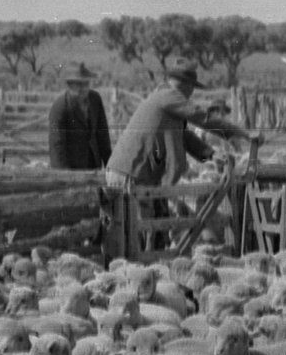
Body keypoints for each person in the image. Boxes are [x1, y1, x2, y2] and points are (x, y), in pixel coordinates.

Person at [101, 64, 254, 259]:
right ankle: (134, 275)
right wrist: (241, 133)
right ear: (185, 85)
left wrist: (209, 154)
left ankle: (143, 268)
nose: (191, 93)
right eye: (192, 88)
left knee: (144, 230)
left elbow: (183, 135)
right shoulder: (169, 96)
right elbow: (203, 118)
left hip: (131, 171)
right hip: (131, 173)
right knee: (135, 234)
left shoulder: (163, 99)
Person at [46, 62, 111, 170]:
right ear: (70, 85)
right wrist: (65, 178)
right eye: (79, 85)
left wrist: (109, 166)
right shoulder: (59, 108)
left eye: (86, 84)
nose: (84, 89)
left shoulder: (95, 99)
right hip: (72, 168)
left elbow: (103, 136)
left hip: (94, 165)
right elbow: (57, 147)